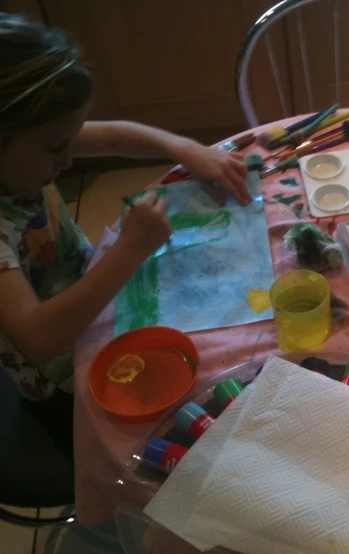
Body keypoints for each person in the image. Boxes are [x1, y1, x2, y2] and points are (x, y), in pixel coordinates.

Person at [0, 12, 250, 404]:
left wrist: (184, 148)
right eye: (55, 148)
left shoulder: (28, 144)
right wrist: (131, 247)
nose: (68, 161)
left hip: (96, 298)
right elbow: (39, 340)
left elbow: (114, 136)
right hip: (60, 379)